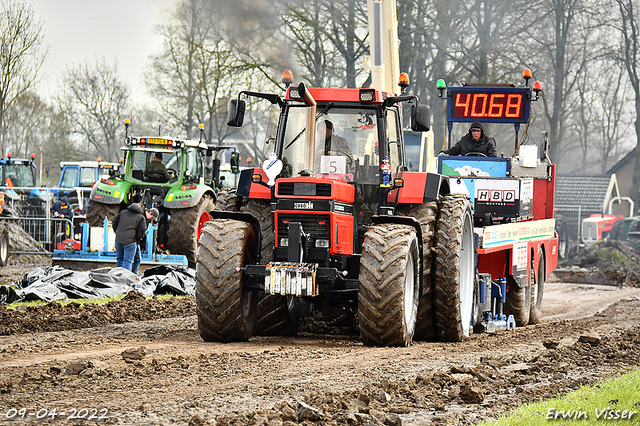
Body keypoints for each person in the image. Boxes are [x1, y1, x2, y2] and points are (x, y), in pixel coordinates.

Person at [112, 202, 147, 272]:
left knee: (120, 260)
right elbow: (142, 230)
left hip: (119, 240)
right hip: (131, 242)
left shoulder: (122, 213)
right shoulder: (140, 217)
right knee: (127, 262)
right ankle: (126, 279)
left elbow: (114, 222)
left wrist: (118, 232)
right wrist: (137, 239)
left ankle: (119, 277)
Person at [131, 207, 159, 274]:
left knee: (137, 260)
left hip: (136, 241)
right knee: (128, 260)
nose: (152, 220)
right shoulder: (140, 216)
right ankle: (127, 275)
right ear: (150, 213)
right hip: (132, 240)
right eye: (152, 218)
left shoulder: (147, 219)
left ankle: (133, 273)